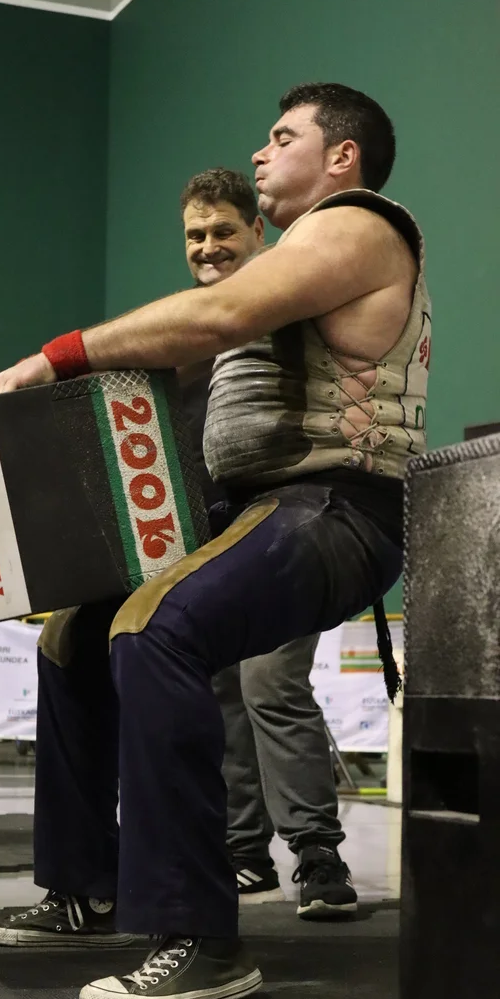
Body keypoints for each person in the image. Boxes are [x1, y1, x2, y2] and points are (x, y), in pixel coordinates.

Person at [0, 82, 429, 999]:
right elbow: (178, 344)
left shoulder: (358, 225)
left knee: (156, 628)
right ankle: (85, 890)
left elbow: (212, 320)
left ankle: (201, 938)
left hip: (338, 509)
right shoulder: (291, 260)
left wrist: (53, 356)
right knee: (74, 637)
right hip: (256, 510)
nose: (261, 153)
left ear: (341, 156)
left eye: (282, 137)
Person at [179, 167, 356, 916]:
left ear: (258, 230)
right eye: (195, 235)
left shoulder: (293, 301)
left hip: (291, 525)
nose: (209, 246)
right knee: (221, 688)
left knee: (270, 684)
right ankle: (244, 853)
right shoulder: (189, 328)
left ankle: (317, 853)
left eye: (223, 230)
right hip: (212, 537)